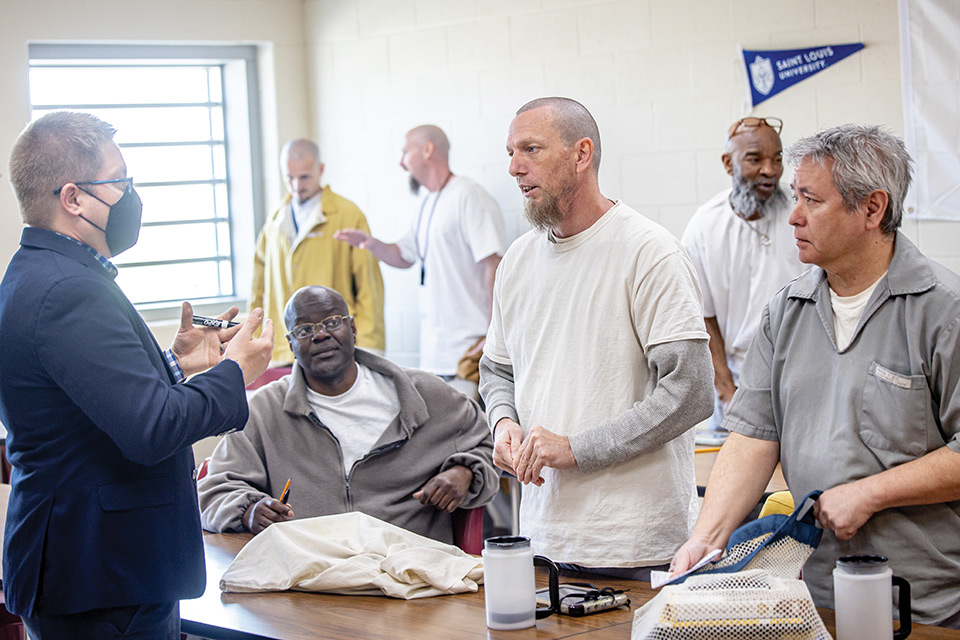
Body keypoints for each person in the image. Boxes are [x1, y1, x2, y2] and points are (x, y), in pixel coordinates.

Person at [671, 124, 960, 628]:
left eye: (812, 201)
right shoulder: (785, 313)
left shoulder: (942, 311)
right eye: (796, 198)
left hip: (928, 607)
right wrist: (706, 539)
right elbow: (753, 438)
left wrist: (871, 492)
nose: (794, 216)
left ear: (872, 209)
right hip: (819, 600)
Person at [0, 111, 274, 640]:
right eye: (121, 181)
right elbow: (151, 431)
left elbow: (86, 405)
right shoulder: (68, 290)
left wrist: (177, 368)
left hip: (92, 568)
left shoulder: (38, 272)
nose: (132, 195)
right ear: (74, 197)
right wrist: (237, 371)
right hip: (102, 573)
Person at [479, 97, 714, 579]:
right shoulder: (518, 262)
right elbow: (497, 370)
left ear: (581, 154)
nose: (514, 167)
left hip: (635, 546)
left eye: (530, 149)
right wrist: (504, 425)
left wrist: (577, 448)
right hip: (543, 541)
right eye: (509, 152)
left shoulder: (649, 253)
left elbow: (690, 392)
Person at [198, 285, 499, 544]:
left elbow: (492, 444)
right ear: (290, 344)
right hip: (308, 575)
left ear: (352, 327)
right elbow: (212, 490)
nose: (320, 336)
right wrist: (248, 509)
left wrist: (464, 471)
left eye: (332, 322)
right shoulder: (263, 412)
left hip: (413, 572)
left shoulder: (425, 394)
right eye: (304, 330)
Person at [334, 125, 507, 392]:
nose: (401, 163)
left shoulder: (468, 195)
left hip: (470, 349)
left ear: (428, 150)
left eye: (405, 152)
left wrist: (492, 333)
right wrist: (371, 244)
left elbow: (493, 265)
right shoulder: (427, 202)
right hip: (435, 354)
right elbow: (405, 255)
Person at [681, 117, 805, 445]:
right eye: (755, 159)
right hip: (736, 384)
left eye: (777, 159)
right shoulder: (704, 226)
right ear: (728, 163)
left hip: (803, 379)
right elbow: (702, 320)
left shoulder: (802, 216)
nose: (770, 169)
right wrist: (726, 391)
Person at [252, 138, 385, 366]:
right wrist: (255, 338)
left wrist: (368, 345)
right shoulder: (274, 222)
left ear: (320, 169)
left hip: (331, 345)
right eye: (289, 178)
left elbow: (368, 287)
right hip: (284, 347)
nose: (296, 185)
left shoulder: (347, 215)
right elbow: (258, 287)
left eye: (304, 177)